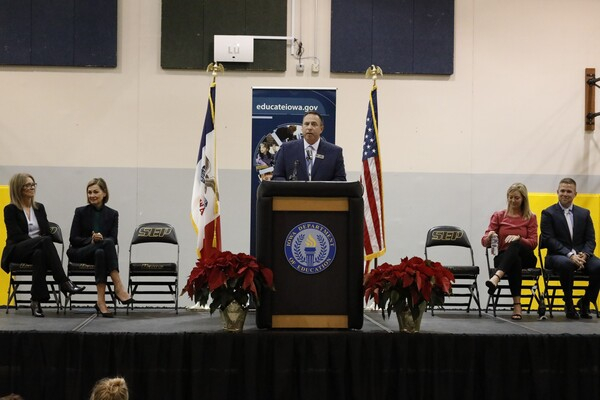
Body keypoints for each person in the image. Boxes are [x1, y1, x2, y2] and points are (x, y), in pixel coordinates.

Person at [1, 173, 84, 317]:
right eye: (28, 185)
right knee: (44, 241)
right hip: (17, 249)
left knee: (39, 254)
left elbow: (46, 231)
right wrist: (36, 241)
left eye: (33, 184)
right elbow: (15, 235)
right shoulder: (10, 209)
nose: (32, 187)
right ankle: (64, 282)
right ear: (18, 188)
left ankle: (35, 301)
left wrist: (38, 242)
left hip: (36, 250)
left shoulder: (39, 207)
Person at [67, 178, 134, 318]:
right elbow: (73, 239)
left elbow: (114, 239)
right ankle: (119, 286)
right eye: (89, 192)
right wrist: (91, 240)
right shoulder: (80, 212)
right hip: (80, 252)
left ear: (104, 193)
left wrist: (100, 240)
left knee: (100, 253)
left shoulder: (113, 214)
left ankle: (101, 302)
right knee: (106, 244)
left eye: (95, 192)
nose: (92, 195)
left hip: (100, 253)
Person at [540, 177, 600, 319]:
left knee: (598, 266)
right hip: (556, 256)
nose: (565, 194)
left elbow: (591, 240)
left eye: (569, 191)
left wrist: (585, 254)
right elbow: (549, 240)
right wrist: (569, 255)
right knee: (566, 264)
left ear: (575, 194)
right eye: (562, 191)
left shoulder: (584, 214)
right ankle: (569, 303)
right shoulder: (548, 213)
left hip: (581, 254)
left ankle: (585, 302)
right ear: (557, 192)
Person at [481, 183, 538, 320]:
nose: (513, 201)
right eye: (510, 197)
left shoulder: (530, 217)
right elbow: (484, 242)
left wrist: (519, 239)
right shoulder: (499, 215)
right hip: (504, 256)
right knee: (514, 261)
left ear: (523, 199)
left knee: (515, 244)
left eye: (516, 198)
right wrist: (489, 237)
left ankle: (496, 277)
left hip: (527, 256)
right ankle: (517, 305)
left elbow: (533, 243)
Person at [272, 111, 346, 181]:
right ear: (302, 127)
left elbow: (340, 180)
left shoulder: (335, 152)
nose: (309, 128)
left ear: (321, 129)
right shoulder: (286, 149)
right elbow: (277, 177)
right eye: (306, 124)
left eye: (314, 124)